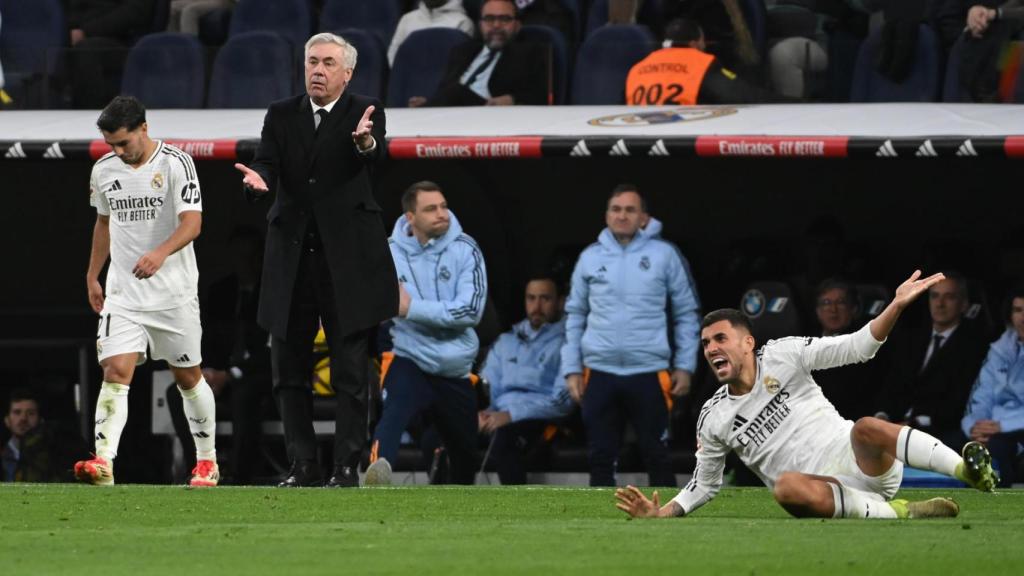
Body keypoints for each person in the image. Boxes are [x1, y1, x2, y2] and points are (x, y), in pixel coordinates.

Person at [615, 271, 1000, 522]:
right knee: (785, 488)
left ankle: (967, 471)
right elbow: (705, 483)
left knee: (867, 426)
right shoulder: (713, 416)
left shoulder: (783, 353)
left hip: (864, 464)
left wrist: (896, 306)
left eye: (720, 339)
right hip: (820, 491)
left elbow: (858, 347)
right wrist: (662, 513)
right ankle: (900, 513)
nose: (711, 348)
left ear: (748, 342)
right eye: (705, 343)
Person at [234, 32, 398, 488]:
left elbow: (374, 153)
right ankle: (302, 465)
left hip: (346, 261)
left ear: (347, 73)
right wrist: (257, 182)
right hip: (292, 259)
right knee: (288, 370)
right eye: (312, 62)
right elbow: (266, 162)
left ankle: (346, 466)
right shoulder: (281, 114)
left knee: (350, 371)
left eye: (328, 63)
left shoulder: (364, 110)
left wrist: (364, 143)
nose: (318, 71)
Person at [77, 95, 218, 487]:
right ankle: (103, 461)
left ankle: (207, 461)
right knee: (115, 369)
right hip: (125, 295)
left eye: (124, 143)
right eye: (112, 145)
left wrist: (159, 253)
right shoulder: (104, 170)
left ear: (143, 128)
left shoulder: (176, 163)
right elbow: (103, 223)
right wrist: (93, 274)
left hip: (173, 294)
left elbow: (193, 223)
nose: (118, 152)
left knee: (188, 377)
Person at [562, 184, 701, 487]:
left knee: (657, 454)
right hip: (598, 371)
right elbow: (574, 316)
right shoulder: (589, 257)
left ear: (643, 218)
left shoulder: (664, 255)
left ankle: (667, 523)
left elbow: (686, 313)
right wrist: (572, 369)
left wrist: (684, 366)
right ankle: (600, 530)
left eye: (630, 209)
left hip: (649, 371)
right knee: (600, 457)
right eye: (616, 209)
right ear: (606, 215)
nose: (622, 215)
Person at [364, 182, 487, 486]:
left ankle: (459, 490)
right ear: (410, 217)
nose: (441, 214)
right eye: (430, 209)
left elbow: (470, 311)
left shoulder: (466, 248)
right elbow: (379, 303)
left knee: (464, 458)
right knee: (395, 410)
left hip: (455, 366)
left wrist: (412, 309)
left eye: (444, 206)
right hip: (409, 355)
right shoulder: (389, 252)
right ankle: (379, 471)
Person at [166, 226, 271, 484]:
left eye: (250, 256)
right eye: (238, 256)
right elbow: (207, 336)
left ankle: (239, 473)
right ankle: (197, 465)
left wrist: (231, 375)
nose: (244, 263)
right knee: (177, 390)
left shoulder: (270, 292)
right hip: (218, 372)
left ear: (260, 257)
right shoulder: (221, 292)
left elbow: (270, 349)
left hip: (256, 374)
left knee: (244, 393)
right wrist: (207, 371)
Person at [875, 272, 989, 445]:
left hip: (938, 431)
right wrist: (881, 416)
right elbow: (892, 382)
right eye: (935, 296)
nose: (940, 304)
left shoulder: (975, 347)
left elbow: (959, 402)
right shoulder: (911, 338)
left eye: (949, 297)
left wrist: (915, 423)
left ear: (964, 305)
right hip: (894, 425)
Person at [479, 276, 573, 484]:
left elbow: (563, 403)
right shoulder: (506, 341)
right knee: (442, 434)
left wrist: (511, 415)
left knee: (505, 440)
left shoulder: (569, 342)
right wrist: (482, 413)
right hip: (500, 417)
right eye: (531, 298)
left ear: (560, 302)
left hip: (540, 420)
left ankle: (516, 514)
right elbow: (486, 387)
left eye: (545, 299)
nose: (536, 306)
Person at [409, 0, 548, 107]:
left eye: (504, 19)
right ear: (480, 24)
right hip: (451, 116)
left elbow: (540, 95)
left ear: (517, 25)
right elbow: (444, 91)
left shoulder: (531, 54)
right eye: (489, 19)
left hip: (491, 116)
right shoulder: (461, 52)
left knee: (456, 92)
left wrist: (512, 100)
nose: (496, 25)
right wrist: (428, 103)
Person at [625, 18, 794, 106]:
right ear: (694, 43)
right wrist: (799, 103)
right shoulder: (700, 63)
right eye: (703, 41)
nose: (705, 46)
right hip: (681, 140)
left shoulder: (638, 67)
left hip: (638, 143)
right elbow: (743, 96)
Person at [961, 286, 1024, 486]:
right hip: (994, 428)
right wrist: (975, 427)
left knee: (997, 449)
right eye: (1018, 310)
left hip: (1013, 427)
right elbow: (981, 394)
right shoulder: (999, 349)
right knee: (967, 447)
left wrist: (1003, 426)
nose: (1023, 318)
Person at [810, 278, 881, 420]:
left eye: (840, 303)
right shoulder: (806, 343)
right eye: (826, 303)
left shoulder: (865, 344)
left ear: (853, 309)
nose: (833, 309)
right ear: (817, 311)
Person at [66, 0, 154, 109]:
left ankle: (91, 112)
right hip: (79, 36)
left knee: (87, 51)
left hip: (125, 41)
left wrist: (87, 31)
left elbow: (134, 13)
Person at [3, 389, 86, 482]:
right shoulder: (2, 456)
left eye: (31, 413)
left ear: (41, 420)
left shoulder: (57, 457)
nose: (23, 418)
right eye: (17, 412)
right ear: (7, 420)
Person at [388, 0, 474, 66]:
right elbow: (393, 54)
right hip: (408, 80)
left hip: (444, 85)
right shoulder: (407, 19)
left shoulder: (462, 22)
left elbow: (459, 64)